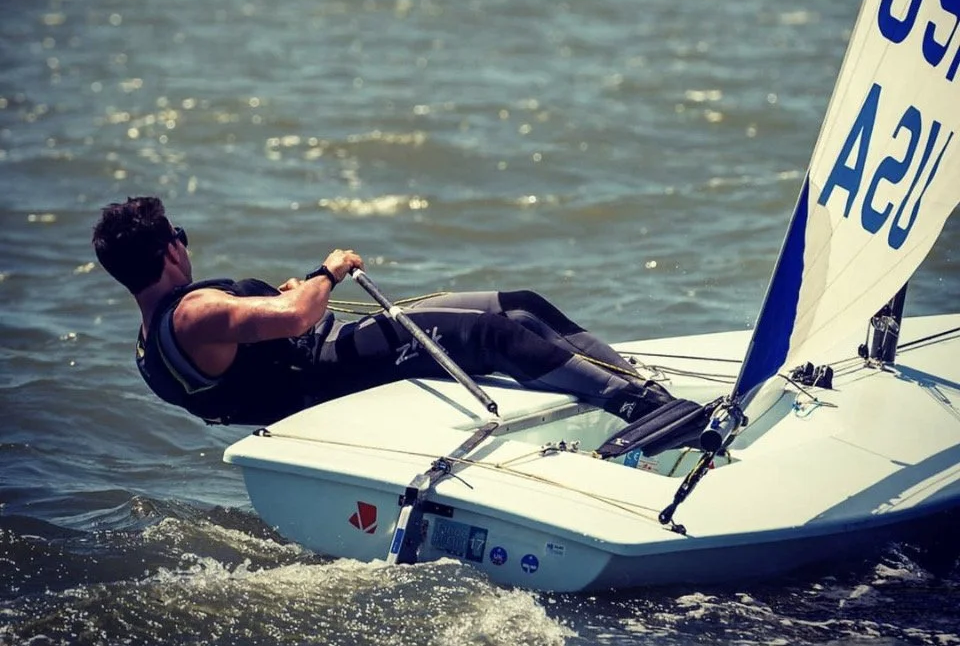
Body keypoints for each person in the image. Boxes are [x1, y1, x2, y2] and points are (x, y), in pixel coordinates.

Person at [92, 196, 675, 428]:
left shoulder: (152, 339)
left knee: (518, 306)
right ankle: (638, 404)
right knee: (496, 336)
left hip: (329, 351)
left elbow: (263, 333)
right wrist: (327, 272)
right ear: (170, 249)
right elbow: (297, 318)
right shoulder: (192, 315)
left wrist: (286, 300)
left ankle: (630, 382)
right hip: (334, 369)